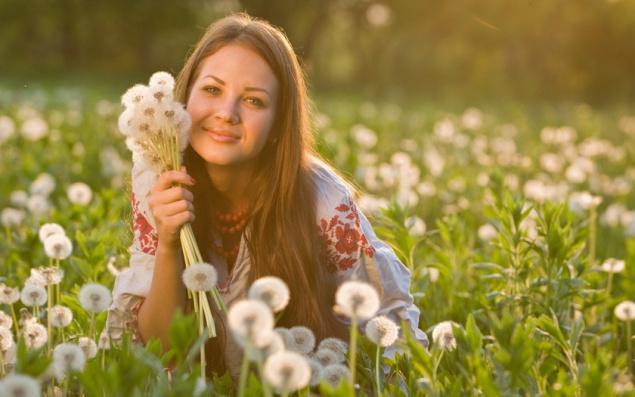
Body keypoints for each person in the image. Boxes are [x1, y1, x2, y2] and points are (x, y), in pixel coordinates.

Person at [107, 12, 427, 379]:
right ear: (184, 98)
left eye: (254, 101)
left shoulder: (323, 200)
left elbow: (387, 327)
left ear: (278, 122)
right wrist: (167, 242)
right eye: (212, 90)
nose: (226, 113)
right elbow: (160, 351)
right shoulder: (160, 178)